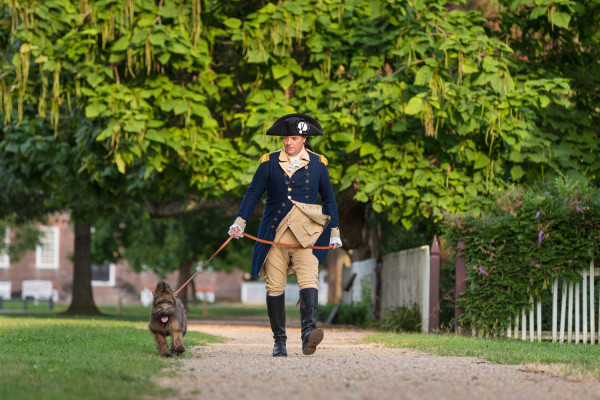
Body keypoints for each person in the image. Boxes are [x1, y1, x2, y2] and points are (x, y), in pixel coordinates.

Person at [228, 113, 342, 357]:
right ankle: (279, 341)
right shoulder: (268, 162)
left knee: (309, 281)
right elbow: (253, 193)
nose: (288, 142)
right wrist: (240, 221)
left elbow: (329, 198)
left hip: (308, 236)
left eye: (293, 138)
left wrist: (334, 232)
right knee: (275, 286)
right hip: (274, 235)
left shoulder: (318, 163)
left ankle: (307, 335)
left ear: (304, 139)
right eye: (285, 138)